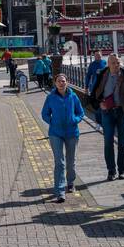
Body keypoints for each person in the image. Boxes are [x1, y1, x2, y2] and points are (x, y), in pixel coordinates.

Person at [88, 52, 124, 180]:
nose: (116, 65)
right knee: (108, 142)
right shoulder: (102, 74)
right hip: (107, 113)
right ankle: (111, 171)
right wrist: (99, 104)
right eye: (113, 63)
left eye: (117, 62)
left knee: (123, 143)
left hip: (122, 112)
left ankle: (122, 171)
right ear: (108, 64)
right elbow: (94, 92)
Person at [41, 73, 85, 201]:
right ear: (55, 83)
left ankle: (70, 183)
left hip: (72, 133)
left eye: (63, 81)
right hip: (56, 133)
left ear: (67, 82)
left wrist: (74, 119)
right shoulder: (51, 97)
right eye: (59, 81)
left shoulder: (73, 96)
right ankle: (60, 191)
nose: (61, 83)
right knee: (59, 162)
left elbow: (80, 112)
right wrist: (52, 122)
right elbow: (44, 114)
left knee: (70, 162)